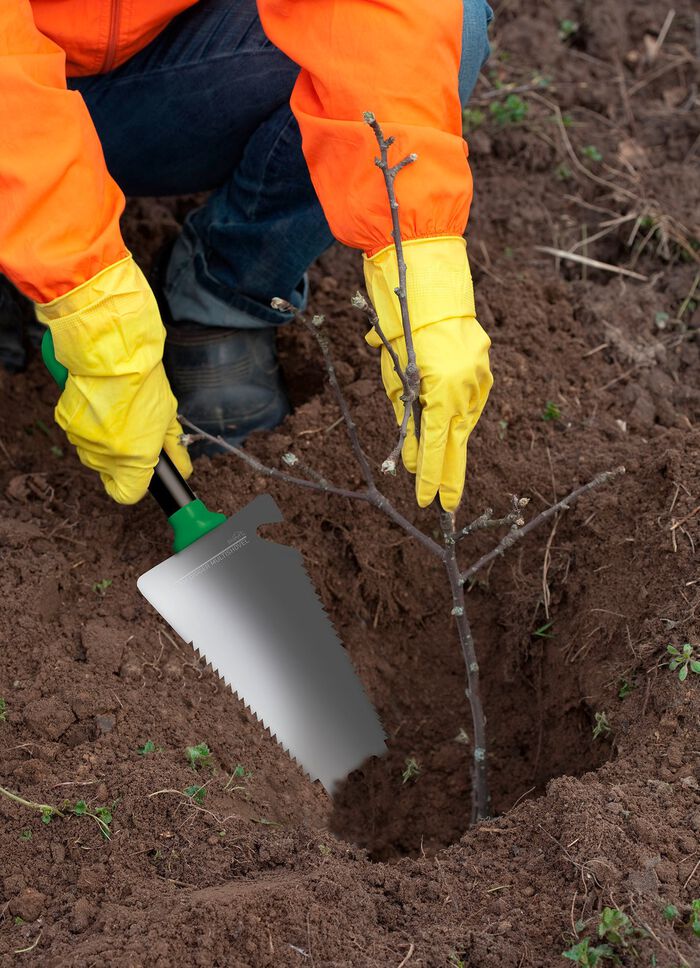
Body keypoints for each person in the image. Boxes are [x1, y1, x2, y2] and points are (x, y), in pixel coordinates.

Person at [0, 0, 493, 513]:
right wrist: (83, 292)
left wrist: (420, 249)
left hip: (145, 83)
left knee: (447, 25)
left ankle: (222, 294)